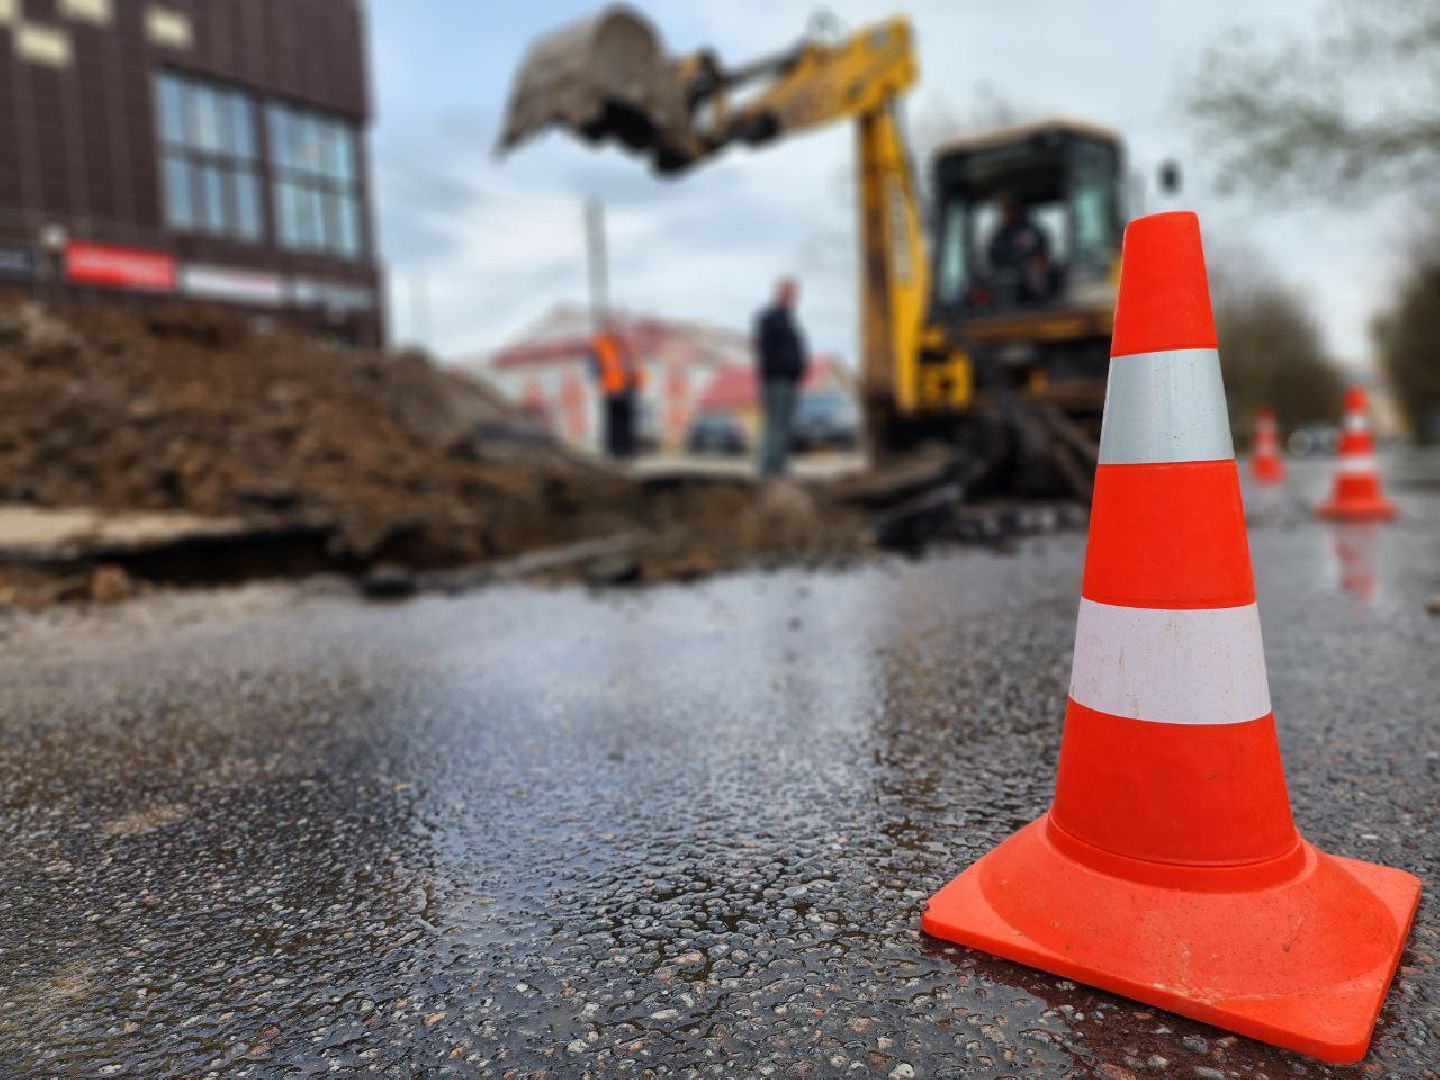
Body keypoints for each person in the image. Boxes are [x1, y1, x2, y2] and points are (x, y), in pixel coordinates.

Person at [754, 277, 808, 477]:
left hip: (789, 380)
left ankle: (780, 467)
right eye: (788, 292)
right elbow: (767, 349)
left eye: (794, 294)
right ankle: (769, 469)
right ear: (778, 293)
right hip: (776, 379)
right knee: (775, 424)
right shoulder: (769, 318)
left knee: (785, 425)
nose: (792, 297)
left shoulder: (789, 319)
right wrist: (786, 366)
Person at [589, 319, 645, 459]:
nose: (618, 330)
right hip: (611, 389)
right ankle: (614, 451)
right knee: (614, 422)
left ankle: (628, 450)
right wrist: (599, 381)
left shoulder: (627, 345)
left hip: (628, 387)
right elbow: (594, 366)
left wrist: (636, 383)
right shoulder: (601, 345)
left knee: (628, 421)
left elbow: (634, 365)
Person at [987, 197, 1051, 303]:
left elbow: (1041, 250)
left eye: (1010, 210)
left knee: (1036, 271)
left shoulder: (1030, 230)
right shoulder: (998, 236)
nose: (1007, 214)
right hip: (1007, 274)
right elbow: (993, 257)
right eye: (1004, 211)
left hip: (1031, 272)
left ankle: (1040, 301)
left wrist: (1037, 259)